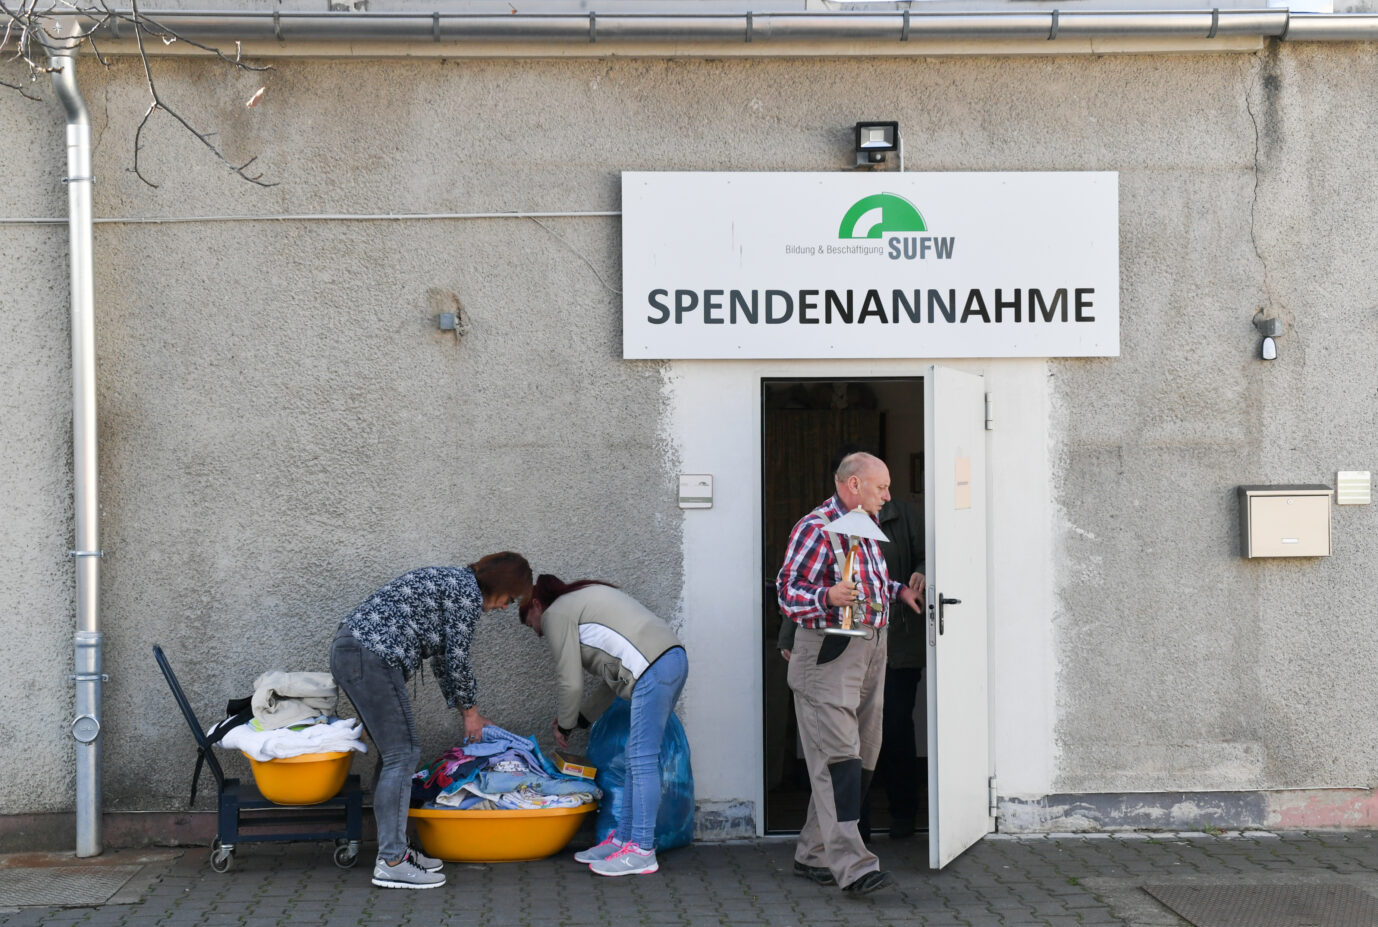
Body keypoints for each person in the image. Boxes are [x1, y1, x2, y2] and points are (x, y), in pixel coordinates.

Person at [330, 552, 533, 890]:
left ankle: (394, 851)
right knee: (403, 754)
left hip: (357, 653)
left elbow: (442, 660)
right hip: (370, 657)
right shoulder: (466, 593)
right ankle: (392, 861)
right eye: (509, 599)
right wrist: (470, 713)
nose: (504, 607)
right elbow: (457, 659)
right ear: (500, 586)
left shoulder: (453, 583)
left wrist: (465, 710)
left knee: (394, 754)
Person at [776, 452, 923, 895]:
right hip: (828, 654)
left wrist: (898, 591)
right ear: (854, 484)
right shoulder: (816, 526)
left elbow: (871, 581)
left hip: (870, 649)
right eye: (882, 487)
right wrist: (827, 597)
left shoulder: (863, 524)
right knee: (838, 760)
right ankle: (854, 865)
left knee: (862, 757)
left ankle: (813, 852)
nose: (889, 496)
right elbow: (787, 591)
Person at [519, 574, 687, 878]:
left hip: (654, 666)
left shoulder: (557, 612)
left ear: (537, 604)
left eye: (530, 622)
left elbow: (570, 683)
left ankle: (642, 851)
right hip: (669, 660)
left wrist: (566, 727)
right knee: (636, 758)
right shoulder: (582, 601)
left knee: (641, 759)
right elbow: (612, 681)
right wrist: (582, 718)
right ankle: (624, 840)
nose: (538, 632)